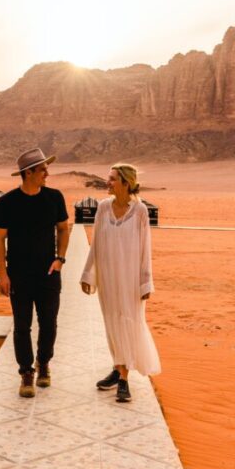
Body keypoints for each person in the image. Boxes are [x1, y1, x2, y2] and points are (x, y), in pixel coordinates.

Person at [0, 147, 70, 398]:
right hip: (19, 275)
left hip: (48, 274)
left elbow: (63, 229)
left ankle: (44, 362)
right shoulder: (6, 203)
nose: (47, 173)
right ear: (28, 173)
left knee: (49, 323)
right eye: (42, 169)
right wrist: (3, 274)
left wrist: (60, 259)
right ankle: (26, 371)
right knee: (22, 325)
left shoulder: (54, 197)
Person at [80, 163, 160, 402]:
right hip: (108, 277)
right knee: (112, 323)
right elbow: (96, 244)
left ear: (126, 183)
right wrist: (88, 274)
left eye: (112, 179)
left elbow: (145, 249)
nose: (108, 182)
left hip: (130, 278)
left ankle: (124, 379)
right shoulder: (103, 208)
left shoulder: (140, 211)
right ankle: (118, 368)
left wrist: (145, 283)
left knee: (128, 321)